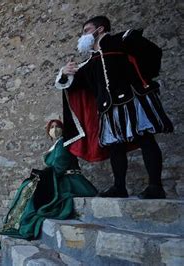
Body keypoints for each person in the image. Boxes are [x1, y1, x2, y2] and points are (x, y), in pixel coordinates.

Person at [55, 16, 173, 199]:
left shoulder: (122, 41)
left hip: (133, 99)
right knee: (115, 147)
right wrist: (64, 73)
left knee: (146, 139)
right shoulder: (89, 63)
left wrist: (144, 80)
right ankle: (119, 187)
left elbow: (152, 53)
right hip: (108, 108)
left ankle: (155, 186)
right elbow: (72, 86)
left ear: (100, 29)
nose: (83, 35)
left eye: (87, 30)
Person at [0, 120, 97, 249]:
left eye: (57, 126)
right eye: (52, 127)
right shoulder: (57, 144)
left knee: (32, 188)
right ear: (48, 131)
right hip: (60, 177)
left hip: (69, 180)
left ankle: (24, 221)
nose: (55, 129)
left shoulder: (63, 143)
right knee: (28, 186)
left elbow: (60, 165)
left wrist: (44, 176)